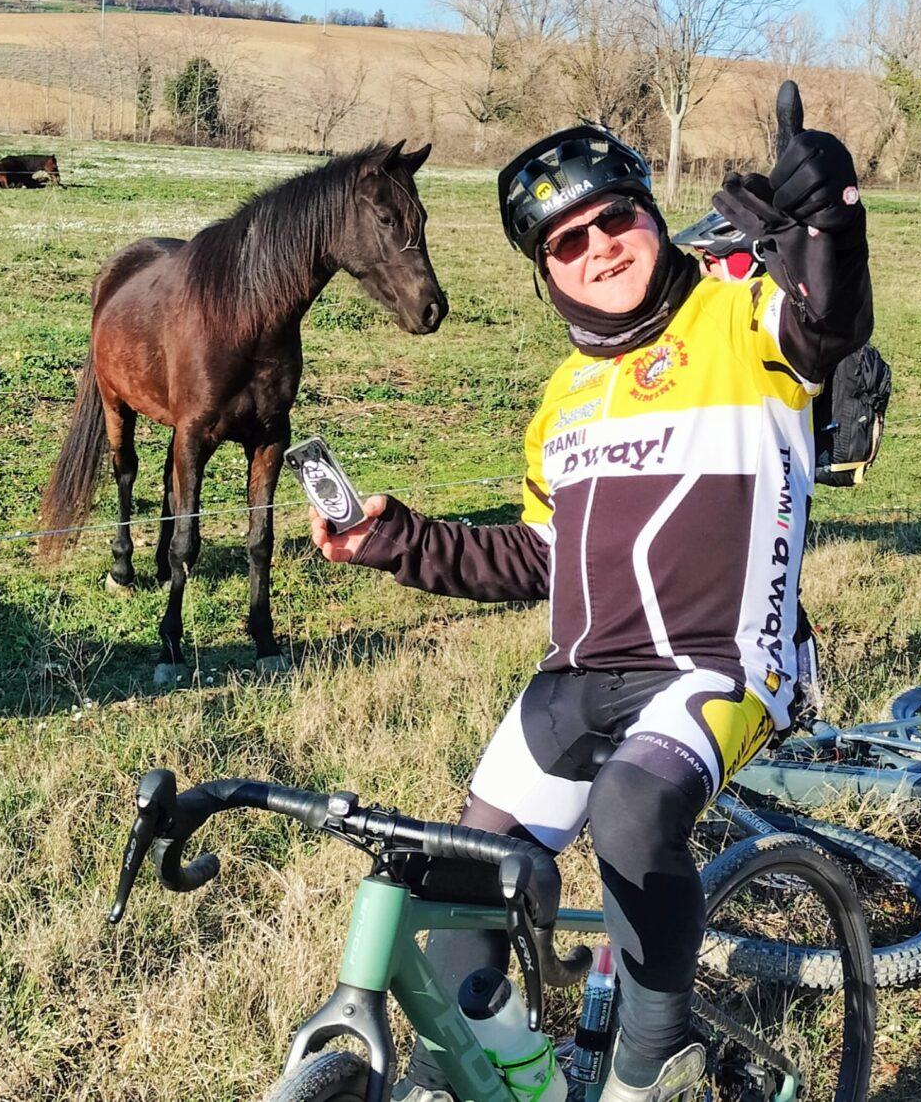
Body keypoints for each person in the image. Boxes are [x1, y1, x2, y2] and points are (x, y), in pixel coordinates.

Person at [310, 85, 873, 1102]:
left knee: (629, 810)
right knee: (453, 898)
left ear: (652, 218)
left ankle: (649, 1067)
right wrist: (391, 538)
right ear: (545, 274)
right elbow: (535, 558)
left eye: (617, 217)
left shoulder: (740, 316)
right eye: (568, 242)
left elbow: (828, 323)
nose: (601, 247)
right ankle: (512, 1074)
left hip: (723, 663)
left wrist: (831, 215)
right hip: (580, 676)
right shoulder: (562, 397)